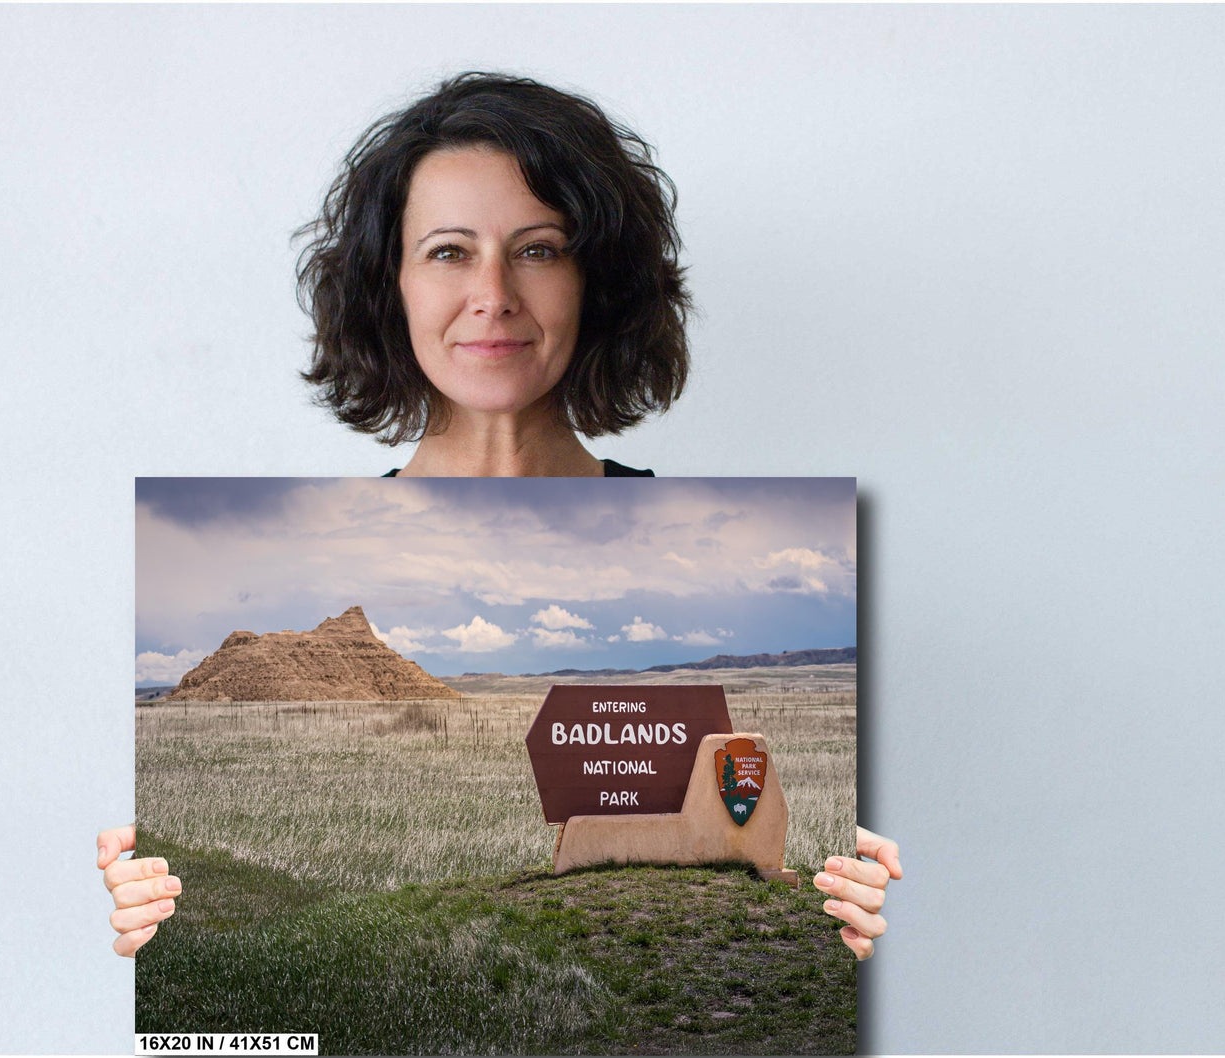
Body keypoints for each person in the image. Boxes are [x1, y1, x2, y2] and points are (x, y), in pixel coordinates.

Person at [100, 72, 901, 962]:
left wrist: (841, 926)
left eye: (539, 249)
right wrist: (155, 924)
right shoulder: (303, 543)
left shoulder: (765, 533)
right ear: (389, 284)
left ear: (596, 282)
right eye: (448, 251)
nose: (494, 294)